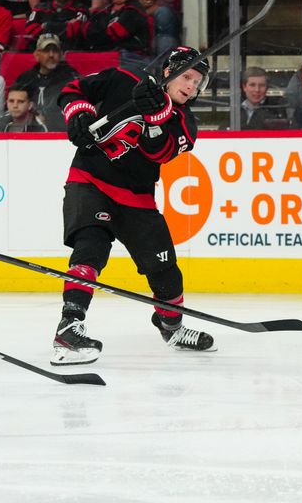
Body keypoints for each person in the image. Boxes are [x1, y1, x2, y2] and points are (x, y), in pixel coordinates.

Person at [51, 46, 215, 366]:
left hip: (136, 197)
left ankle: (172, 327)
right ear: (168, 72)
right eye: (187, 77)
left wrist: (155, 120)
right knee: (90, 247)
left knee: (165, 269)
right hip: (90, 180)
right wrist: (80, 115)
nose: (192, 86)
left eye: (198, 82)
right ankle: (69, 327)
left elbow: (160, 153)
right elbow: (72, 89)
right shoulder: (123, 78)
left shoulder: (184, 122)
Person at [69, 0, 151, 67]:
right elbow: (85, 31)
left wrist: (91, 31)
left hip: (132, 58)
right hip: (108, 56)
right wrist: (91, 30)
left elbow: (113, 35)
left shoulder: (134, 9)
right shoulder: (104, 11)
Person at [14, 33, 79, 131]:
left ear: (61, 55)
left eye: (55, 51)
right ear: (36, 55)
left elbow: (76, 107)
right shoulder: (25, 78)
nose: (51, 55)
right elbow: (13, 107)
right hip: (27, 131)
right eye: (46, 50)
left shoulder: (70, 77)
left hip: (60, 131)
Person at [24, 0, 89, 50]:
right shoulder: (39, 8)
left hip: (72, 56)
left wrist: (46, 26)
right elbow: (30, 30)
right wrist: (66, 25)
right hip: (43, 55)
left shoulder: (82, 9)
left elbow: (75, 29)